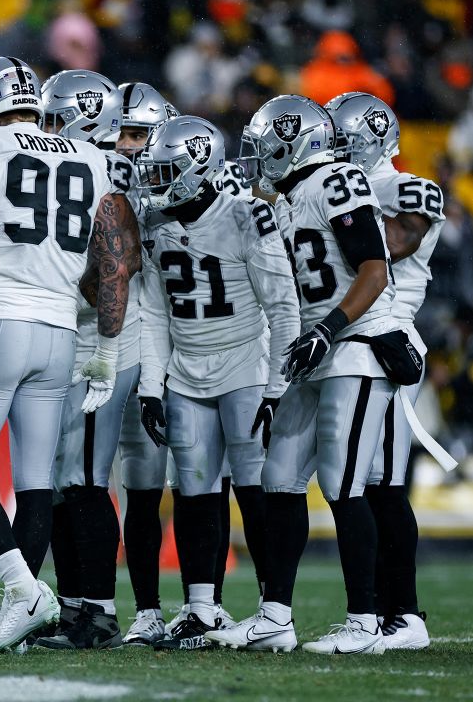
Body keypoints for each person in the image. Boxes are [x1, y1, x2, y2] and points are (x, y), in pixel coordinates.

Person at [0, 58, 139, 654]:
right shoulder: (90, 156)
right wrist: (109, 349)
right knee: (38, 480)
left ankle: (22, 589)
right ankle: (24, 611)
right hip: (62, 331)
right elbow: (115, 262)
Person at [239, 95, 400, 655]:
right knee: (277, 477)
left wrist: (327, 330)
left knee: (341, 483)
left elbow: (375, 271)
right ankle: (275, 617)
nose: (260, 158)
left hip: (355, 345)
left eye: (266, 148)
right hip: (315, 349)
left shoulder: (337, 180)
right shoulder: (286, 199)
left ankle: (366, 621)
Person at [132, 116, 300, 651]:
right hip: (187, 368)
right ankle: (201, 607)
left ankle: (274, 612)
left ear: (196, 169)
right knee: (194, 489)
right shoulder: (157, 225)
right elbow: (155, 313)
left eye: (163, 171)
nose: (152, 182)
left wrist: (276, 387)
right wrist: (152, 387)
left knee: (256, 491)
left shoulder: (247, 215)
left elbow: (283, 307)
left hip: (245, 364)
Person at [328, 91, 445, 650]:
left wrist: (335, 216)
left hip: (390, 340)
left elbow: (394, 242)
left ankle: (405, 614)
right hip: (357, 341)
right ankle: (376, 614)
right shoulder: (338, 186)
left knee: (386, 486)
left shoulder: (402, 187)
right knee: (367, 484)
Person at [33, 68, 136, 650]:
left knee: (87, 478)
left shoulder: (109, 168)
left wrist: (106, 342)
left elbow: (120, 262)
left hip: (109, 335)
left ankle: (97, 612)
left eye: (55, 117)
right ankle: (76, 608)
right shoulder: (77, 163)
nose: (46, 130)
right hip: (75, 332)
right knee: (62, 480)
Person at [110, 81, 179, 647]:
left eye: (140, 134)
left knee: (188, 485)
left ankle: (201, 607)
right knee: (117, 485)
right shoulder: (92, 186)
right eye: (123, 134)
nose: (130, 146)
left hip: (183, 352)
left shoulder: (185, 193)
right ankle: (130, 608)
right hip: (116, 346)